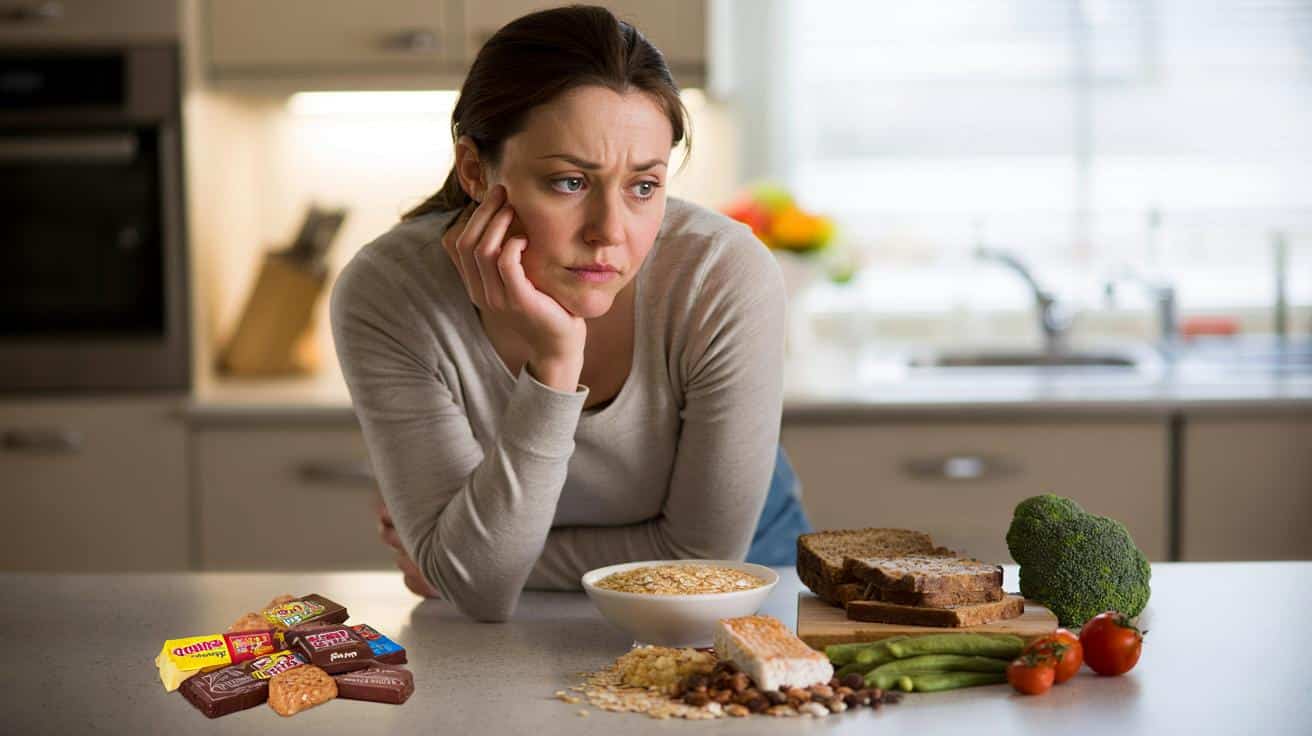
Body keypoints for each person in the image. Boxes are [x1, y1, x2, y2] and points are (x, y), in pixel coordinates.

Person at [330, 5, 810, 622]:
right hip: (513, 611)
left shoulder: (720, 274)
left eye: (643, 186)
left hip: (737, 586)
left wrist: (468, 557)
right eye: (569, 182)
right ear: (476, 171)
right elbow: (476, 589)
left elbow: (699, 561)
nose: (610, 232)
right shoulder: (390, 293)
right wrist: (555, 363)